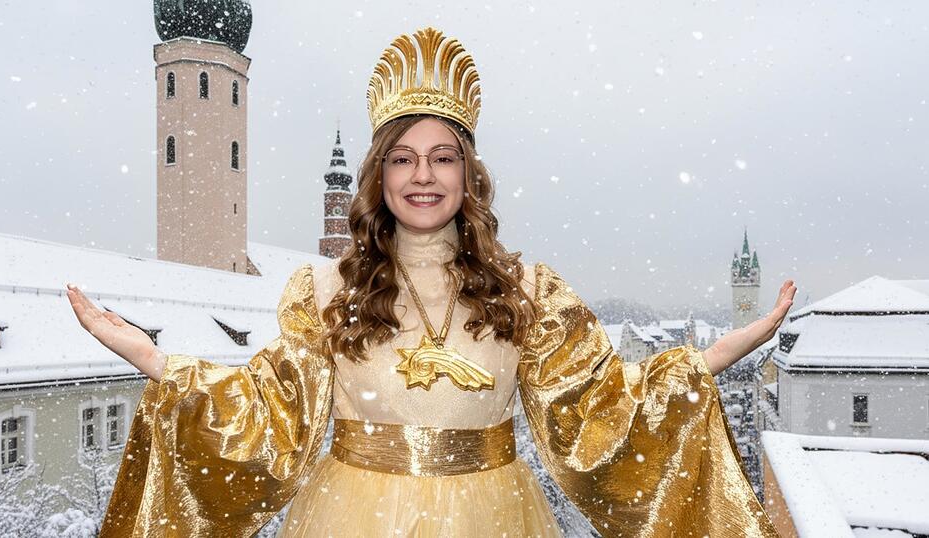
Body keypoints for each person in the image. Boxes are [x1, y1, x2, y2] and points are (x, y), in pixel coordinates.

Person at [66, 27, 794, 538]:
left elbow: (597, 414)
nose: (422, 176)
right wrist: (157, 361)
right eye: (403, 158)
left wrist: (708, 360)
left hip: (495, 516)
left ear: (468, 173)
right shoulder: (325, 291)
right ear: (378, 174)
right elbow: (269, 413)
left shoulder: (527, 291)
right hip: (351, 518)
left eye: (442, 157)